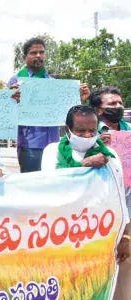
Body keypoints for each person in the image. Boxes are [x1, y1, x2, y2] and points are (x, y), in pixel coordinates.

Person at [40, 105, 131, 299]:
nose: (88, 135)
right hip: (63, 235)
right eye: (81, 131)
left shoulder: (110, 156)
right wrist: (83, 166)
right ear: (68, 130)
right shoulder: (52, 151)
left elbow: (118, 197)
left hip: (99, 235)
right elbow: (50, 185)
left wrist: (125, 236)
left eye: (92, 130)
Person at [8, 37, 91, 173]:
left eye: (41, 52)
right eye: (33, 53)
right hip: (30, 144)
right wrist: (12, 99)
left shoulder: (53, 83)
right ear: (25, 58)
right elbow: (8, 112)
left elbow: (67, 113)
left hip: (53, 142)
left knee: (53, 183)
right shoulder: (16, 80)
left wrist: (79, 99)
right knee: (32, 183)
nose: (38, 56)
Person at [88, 87, 131, 300]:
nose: (118, 107)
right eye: (111, 104)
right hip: (99, 212)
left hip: (127, 208)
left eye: (119, 102)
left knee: (125, 265)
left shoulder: (129, 130)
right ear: (98, 110)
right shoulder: (88, 132)